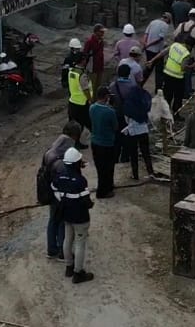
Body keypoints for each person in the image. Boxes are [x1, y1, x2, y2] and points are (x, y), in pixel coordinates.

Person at [37, 121, 83, 259]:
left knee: (53, 220)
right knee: (63, 222)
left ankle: (52, 249)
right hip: (59, 194)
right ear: (74, 136)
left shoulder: (51, 150)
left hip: (49, 191)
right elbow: (67, 177)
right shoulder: (62, 159)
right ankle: (63, 252)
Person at [52, 147, 95, 284]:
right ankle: (78, 273)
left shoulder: (60, 176)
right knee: (80, 243)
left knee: (67, 240)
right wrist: (90, 203)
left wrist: (63, 200)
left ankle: (69, 267)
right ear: (77, 163)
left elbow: (54, 189)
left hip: (66, 215)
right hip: (80, 217)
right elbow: (87, 202)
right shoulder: (80, 181)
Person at [113, 66, 158, 180]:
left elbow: (126, 116)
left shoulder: (114, 87)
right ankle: (150, 172)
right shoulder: (136, 91)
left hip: (131, 129)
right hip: (143, 128)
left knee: (132, 153)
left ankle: (135, 174)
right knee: (145, 151)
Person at [88, 87, 119, 198]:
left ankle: (107, 186)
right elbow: (115, 127)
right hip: (107, 143)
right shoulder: (110, 111)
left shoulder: (92, 108)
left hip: (95, 142)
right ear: (106, 97)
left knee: (100, 168)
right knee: (108, 167)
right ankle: (103, 191)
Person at [158, 32, 195, 115]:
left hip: (167, 74)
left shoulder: (175, 45)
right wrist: (192, 66)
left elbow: (163, 53)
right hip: (178, 78)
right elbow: (183, 67)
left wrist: (152, 60)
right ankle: (176, 114)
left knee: (167, 96)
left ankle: (165, 114)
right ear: (190, 46)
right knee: (178, 97)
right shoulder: (186, 54)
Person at [66, 54, 93, 148]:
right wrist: (90, 100)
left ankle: (74, 143)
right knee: (86, 124)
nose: (86, 61)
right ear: (82, 61)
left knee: (74, 126)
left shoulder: (71, 71)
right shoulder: (82, 74)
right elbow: (86, 89)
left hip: (72, 102)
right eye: (85, 60)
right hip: (82, 104)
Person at [143, 12, 173, 91]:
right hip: (157, 51)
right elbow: (159, 39)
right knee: (159, 71)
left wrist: (145, 44)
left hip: (148, 50)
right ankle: (158, 89)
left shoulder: (152, 22)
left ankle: (140, 84)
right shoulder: (165, 26)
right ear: (167, 19)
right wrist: (149, 44)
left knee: (148, 68)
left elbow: (146, 34)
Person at [82, 25, 107, 90]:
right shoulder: (89, 42)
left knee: (98, 86)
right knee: (92, 86)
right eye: (101, 32)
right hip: (92, 68)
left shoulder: (101, 41)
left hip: (100, 67)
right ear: (96, 32)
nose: (103, 33)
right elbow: (85, 55)